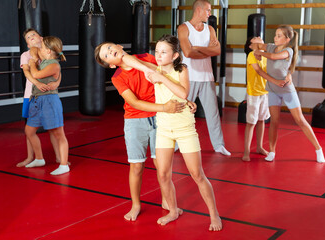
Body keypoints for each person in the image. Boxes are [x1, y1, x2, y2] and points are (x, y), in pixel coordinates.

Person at [121, 34, 222, 231]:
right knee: (164, 174)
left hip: (185, 129)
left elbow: (184, 93)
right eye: (156, 51)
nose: (158, 55)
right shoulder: (154, 70)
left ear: (175, 55)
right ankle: (173, 210)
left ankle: (214, 214)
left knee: (197, 174)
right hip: (164, 130)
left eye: (163, 52)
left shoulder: (181, 69)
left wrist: (161, 78)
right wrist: (119, 52)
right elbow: (130, 60)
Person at [94, 42, 195, 221]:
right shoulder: (118, 77)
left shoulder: (146, 58)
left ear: (119, 46)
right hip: (135, 121)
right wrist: (164, 107)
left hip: (160, 117)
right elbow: (134, 103)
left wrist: (183, 101)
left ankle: (167, 200)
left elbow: (165, 78)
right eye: (107, 54)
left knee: (162, 165)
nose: (111, 51)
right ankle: (136, 205)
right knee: (136, 166)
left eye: (110, 47)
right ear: (110, 64)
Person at [250, 25, 325, 163]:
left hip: (286, 89)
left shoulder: (288, 51)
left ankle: (318, 149)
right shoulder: (271, 46)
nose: (275, 37)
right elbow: (252, 44)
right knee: (274, 121)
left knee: (300, 120)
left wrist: (259, 51)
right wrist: (257, 47)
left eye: (279, 36)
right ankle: (272, 151)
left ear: (287, 39)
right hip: (273, 89)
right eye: (275, 35)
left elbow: (273, 57)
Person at [177, 0, 230, 156]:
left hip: (207, 77)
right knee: (183, 112)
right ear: (199, 10)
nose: (210, 13)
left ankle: (219, 145)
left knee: (213, 113)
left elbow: (218, 50)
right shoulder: (183, 28)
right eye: (207, 10)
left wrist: (198, 48)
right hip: (188, 77)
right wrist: (208, 50)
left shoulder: (210, 29)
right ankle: (175, 143)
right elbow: (187, 52)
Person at [24, 36, 71, 175]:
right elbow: (33, 48)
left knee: (58, 134)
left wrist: (32, 61)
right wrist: (35, 52)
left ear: (49, 51)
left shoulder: (53, 64)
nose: (40, 49)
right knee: (29, 131)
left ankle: (64, 165)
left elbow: (36, 74)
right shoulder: (44, 60)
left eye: (43, 47)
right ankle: (39, 158)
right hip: (36, 100)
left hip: (49, 101)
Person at [16, 28, 61, 168]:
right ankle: (31, 157)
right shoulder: (26, 55)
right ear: (28, 44)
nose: (32, 38)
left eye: (33, 35)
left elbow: (58, 71)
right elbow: (27, 72)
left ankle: (59, 158)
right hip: (31, 95)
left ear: (41, 38)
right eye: (28, 38)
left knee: (54, 129)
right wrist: (37, 83)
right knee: (29, 129)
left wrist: (56, 83)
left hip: (48, 95)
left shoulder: (47, 52)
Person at [242, 36, 290, 161]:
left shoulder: (267, 55)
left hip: (265, 92)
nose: (258, 36)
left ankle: (259, 147)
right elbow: (258, 71)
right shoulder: (252, 55)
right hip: (254, 93)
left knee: (261, 120)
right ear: (251, 45)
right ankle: (246, 151)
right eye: (255, 38)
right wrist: (275, 81)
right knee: (251, 123)